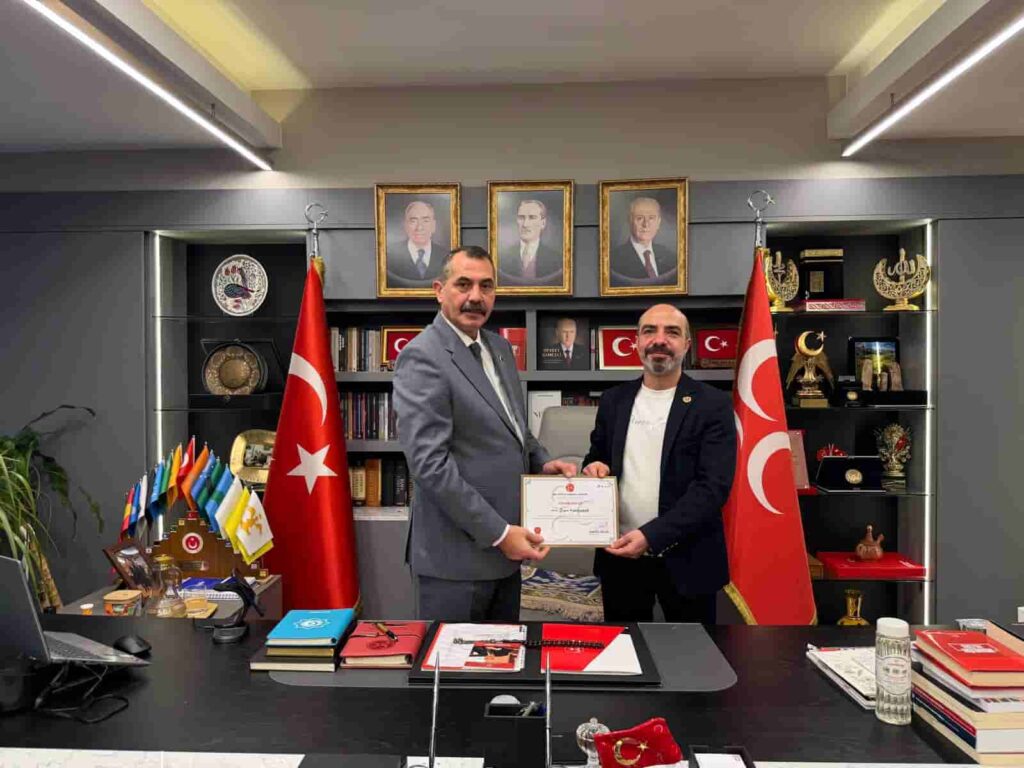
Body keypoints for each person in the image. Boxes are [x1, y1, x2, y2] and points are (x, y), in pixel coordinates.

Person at [393, 245, 576, 621]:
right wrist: (499, 533)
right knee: (451, 660)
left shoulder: (500, 348)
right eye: (464, 284)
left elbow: (514, 425)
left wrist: (542, 462)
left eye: (486, 286)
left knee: (504, 658)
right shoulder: (422, 356)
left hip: (507, 557)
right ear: (439, 290)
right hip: (455, 563)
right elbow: (430, 466)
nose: (476, 296)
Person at [581, 303, 736, 624]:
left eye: (672, 332)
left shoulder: (714, 404)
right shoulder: (613, 400)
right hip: (620, 557)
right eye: (649, 331)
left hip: (689, 560)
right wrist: (595, 467)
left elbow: (713, 487)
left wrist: (651, 535)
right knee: (626, 650)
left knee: (693, 652)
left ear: (687, 345)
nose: (659, 340)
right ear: (636, 342)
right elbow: (597, 456)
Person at [609, 197, 676, 284]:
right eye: (639, 218)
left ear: (658, 222)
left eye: (651, 218)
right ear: (629, 221)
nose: (646, 224)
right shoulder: (614, 260)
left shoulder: (669, 256)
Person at [498, 199, 563, 284]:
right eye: (521, 217)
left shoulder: (557, 260)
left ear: (543, 223)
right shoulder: (501, 260)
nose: (525, 224)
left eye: (532, 217)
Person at [386, 200, 447, 284]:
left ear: (433, 226)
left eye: (425, 221)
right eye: (413, 221)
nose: (419, 227)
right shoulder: (389, 255)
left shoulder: (446, 255)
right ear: (406, 225)